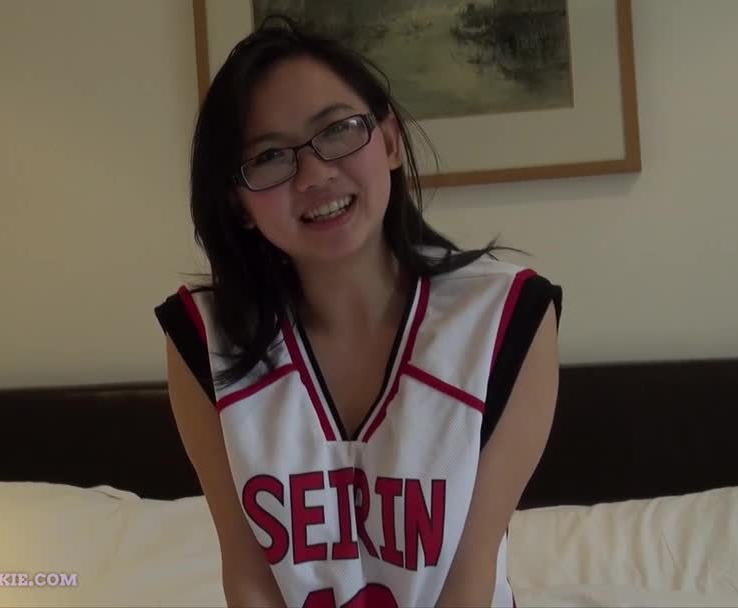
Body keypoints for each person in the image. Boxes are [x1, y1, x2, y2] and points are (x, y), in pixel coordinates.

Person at [154, 16, 562, 608]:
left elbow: (467, 578)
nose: (316, 174)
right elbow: (248, 576)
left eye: (338, 130)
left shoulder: (505, 317)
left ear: (390, 142)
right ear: (238, 203)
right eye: (269, 157)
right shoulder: (205, 337)